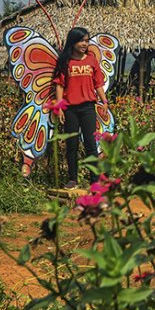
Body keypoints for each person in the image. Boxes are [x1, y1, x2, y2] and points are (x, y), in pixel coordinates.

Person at [52, 27, 108, 190]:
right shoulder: (65, 62)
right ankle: (73, 179)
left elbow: (98, 84)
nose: (85, 44)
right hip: (70, 109)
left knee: (91, 144)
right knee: (72, 145)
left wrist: (104, 101)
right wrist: (60, 107)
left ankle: (95, 180)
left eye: (87, 40)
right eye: (81, 40)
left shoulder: (91, 60)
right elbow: (60, 85)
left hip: (88, 107)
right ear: (73, 41)